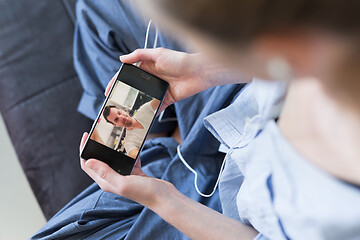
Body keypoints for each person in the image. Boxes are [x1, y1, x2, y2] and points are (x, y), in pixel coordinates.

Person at [32, 0, 360, 239]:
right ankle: (161, 134)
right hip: (239, 106)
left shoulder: (330, 212)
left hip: (221, 188)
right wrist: (204, 69)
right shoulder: (329, 45)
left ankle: (162, 141)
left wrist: (161, 197)